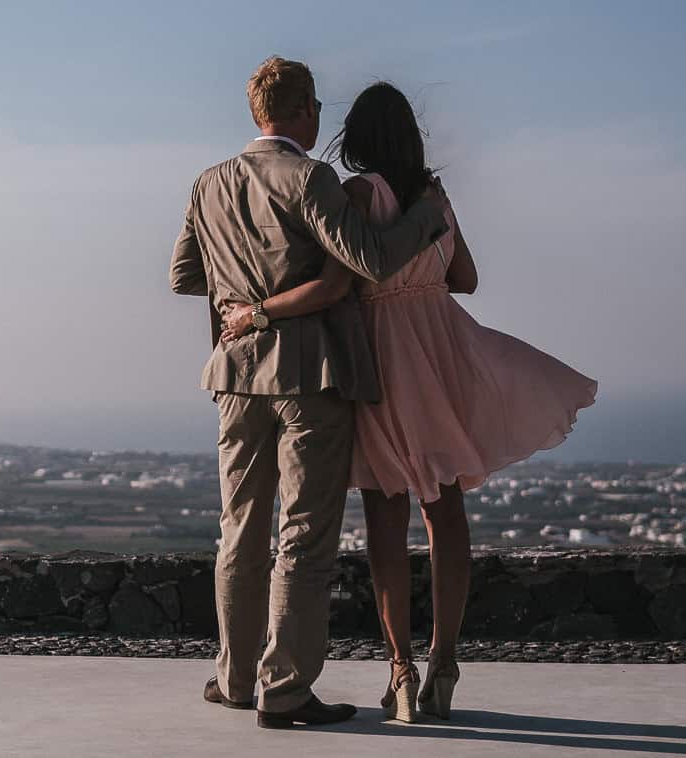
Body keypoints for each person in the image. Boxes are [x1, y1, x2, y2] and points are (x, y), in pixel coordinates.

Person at [228, 82, 598, 722]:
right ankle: (445, 663)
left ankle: (399, 670)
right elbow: (467, 279)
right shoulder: (436, 199)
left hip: (382, 357)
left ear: (359, 139)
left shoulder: (354, 193)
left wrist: (259, 310)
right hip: (441, 350)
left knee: (385, 514)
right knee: (445, 508)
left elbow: (347, 274)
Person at [170, 57, 451, 729]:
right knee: (304, 533)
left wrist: (242, 298)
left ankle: (235, 678)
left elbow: (185, 275)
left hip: (234, 374)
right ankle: (286, 688)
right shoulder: (309, 178)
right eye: (316, 105)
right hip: (308, 375)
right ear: (304, 111)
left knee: (239, 528)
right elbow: (372, 258)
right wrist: (425, 218)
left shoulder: (208, 184)